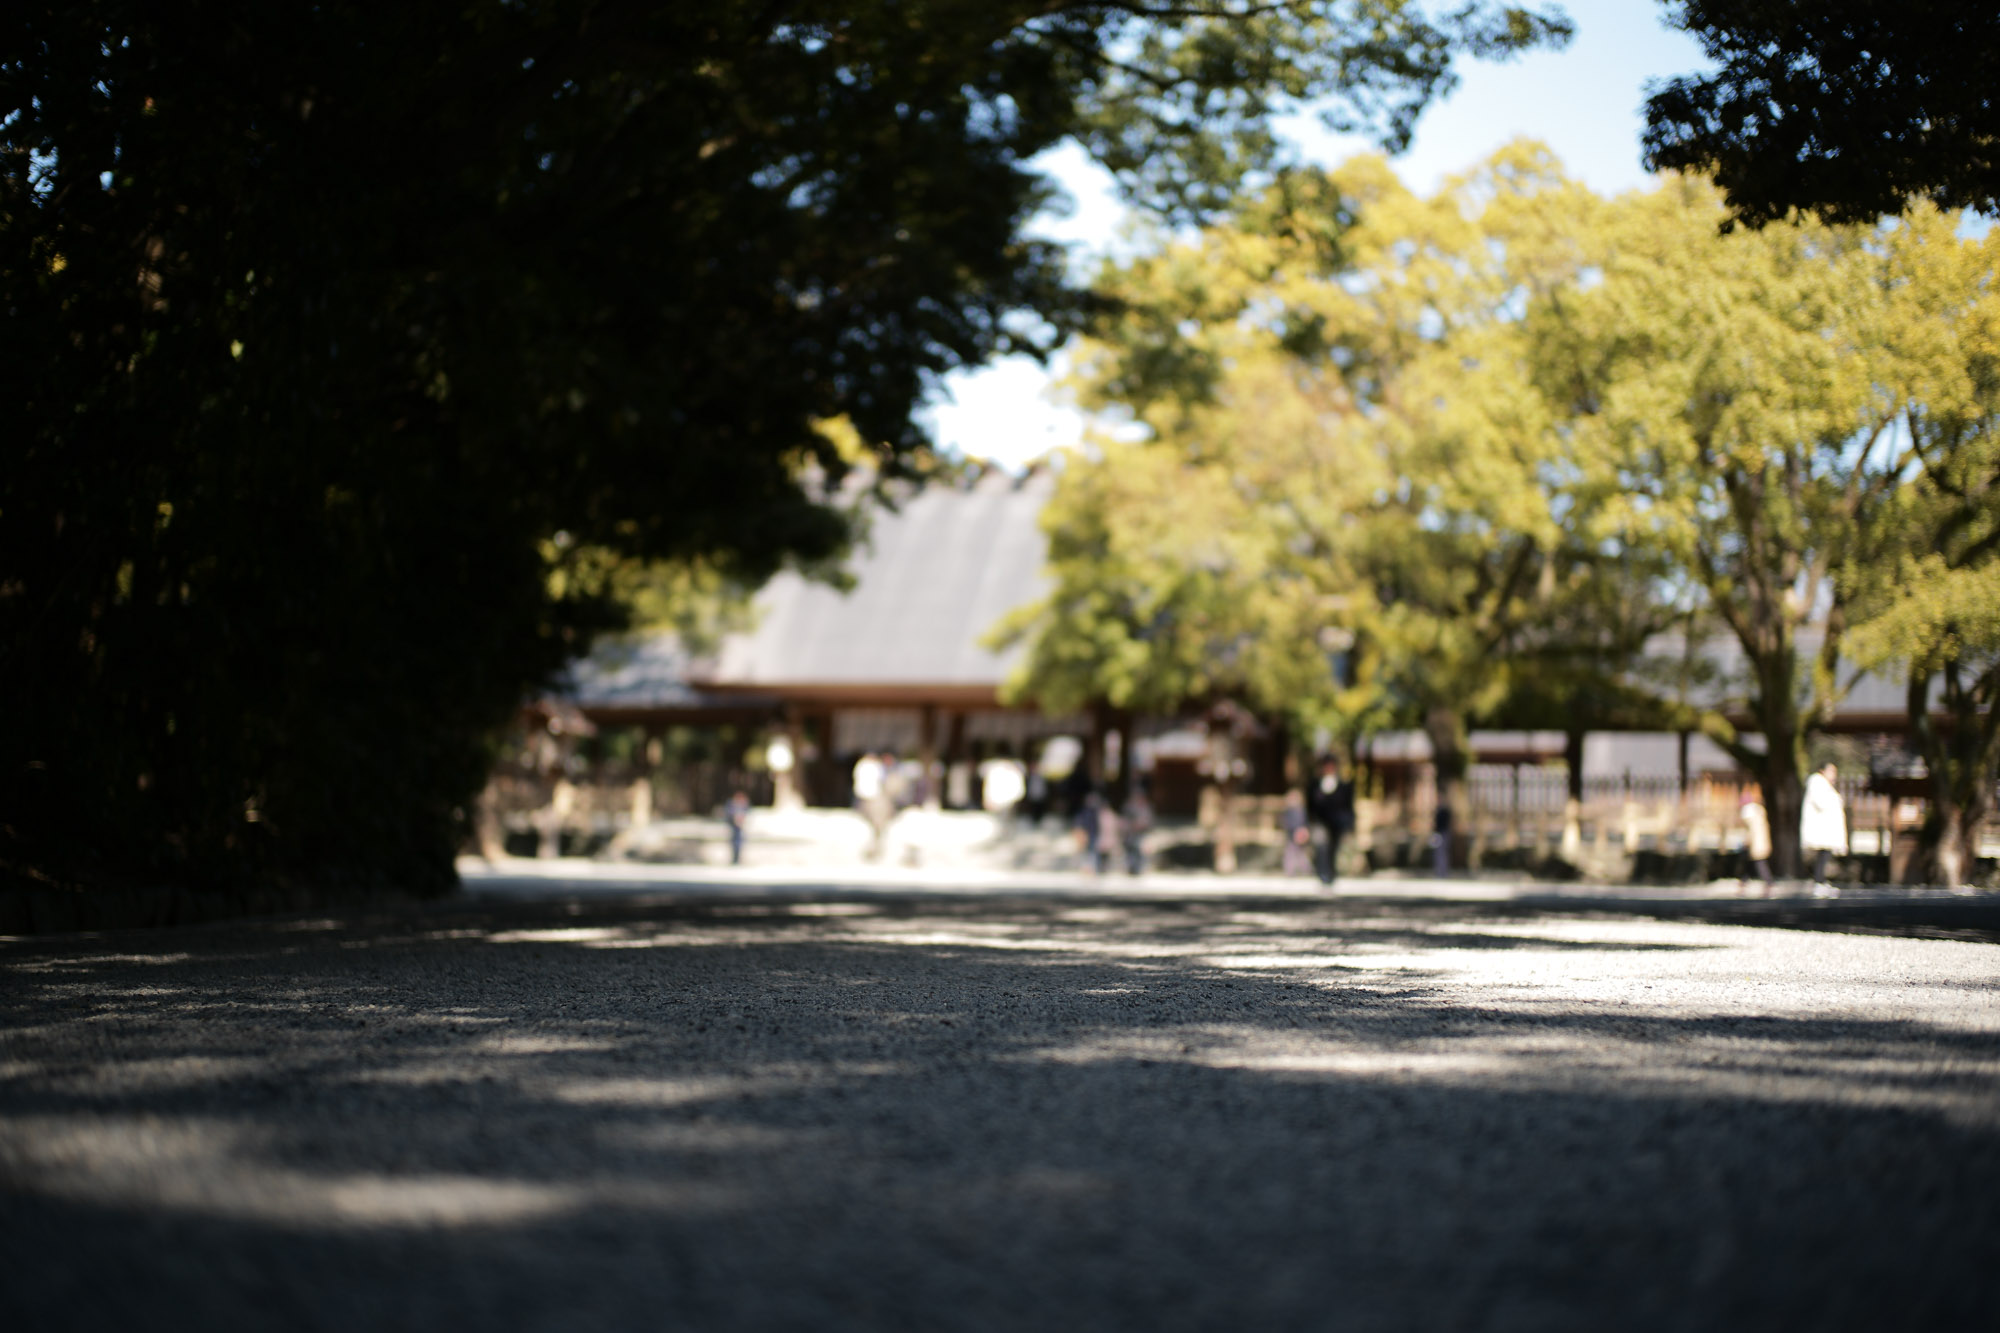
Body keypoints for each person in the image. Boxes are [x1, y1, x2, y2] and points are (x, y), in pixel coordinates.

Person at [1305, 756, 1357, 887]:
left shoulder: (1343, 785)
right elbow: (1309, 806)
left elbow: (1348, 806)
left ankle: (1332, 874)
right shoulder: (1315, 785)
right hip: (1320, 822)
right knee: (1321, 845)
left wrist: (1350, 823)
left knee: (1334, 848)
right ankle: (1322, 874)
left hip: (1337, 823)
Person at [1801, 762, 1848, 895]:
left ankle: (1820, 881)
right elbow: (1822, 803)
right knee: (1823, 856)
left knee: (1824, 855)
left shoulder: (1824, 785)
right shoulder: (1817, 783)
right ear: (1822, 771)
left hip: (1825, 829)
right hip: (1822, 828)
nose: (1834, 775)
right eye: (1831, 771)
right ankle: (1818, 882)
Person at [852, 750, 892, 860]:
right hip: (872, 797)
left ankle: (874, 848)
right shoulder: (873, 766)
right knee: (875, 824)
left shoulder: (861, 765)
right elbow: (881, 780)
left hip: (864, 796)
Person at [1739, 786, 1774, 893]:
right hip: (1761, 840)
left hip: (1756, 841)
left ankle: (1768, 882)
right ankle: (1744, 881)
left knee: (1759, 862)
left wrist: (1747, 840)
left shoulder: (1749, 813)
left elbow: (1751, 830)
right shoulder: (1759, 810)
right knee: (1751, 862)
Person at [1121, 786, 1154, 875]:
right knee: (1130, 852)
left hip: (1141, 834)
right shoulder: (1128, 807)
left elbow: (1149, 821)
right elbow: (1124, 820)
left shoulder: (1146, 808)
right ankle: (1131, 869)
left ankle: (1139, 869)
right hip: (1130, 834)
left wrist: (1141, 824)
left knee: (1140, 852)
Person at [1279, 789, 1311, 877]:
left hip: (1302, 835)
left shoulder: (1303, 811)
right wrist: (1294, 832)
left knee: (1302, 854)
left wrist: (1304, 832)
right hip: (1291, 836)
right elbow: (1286, 823)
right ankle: (1290, 870)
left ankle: (1305, 870)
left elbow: (1306, 823)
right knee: (1291, 853)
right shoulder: (1288, 812)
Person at [722, 790, 750, 866]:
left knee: (739, 843)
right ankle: (734, 859)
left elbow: (747, 812)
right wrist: (734, 818)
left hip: (740, 827)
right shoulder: (731, 804)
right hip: (733, 826)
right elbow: (728, 813)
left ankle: (737, 859)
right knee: (733, 843)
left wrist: (742, 818)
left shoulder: (744, 804)